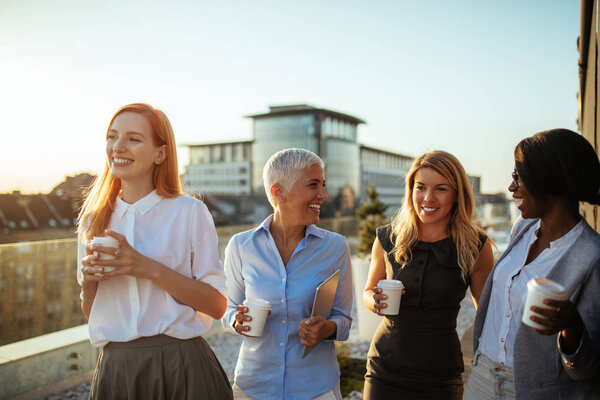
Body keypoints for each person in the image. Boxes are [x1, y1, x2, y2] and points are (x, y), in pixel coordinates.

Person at [77, 103, 232, 399]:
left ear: (161, 153)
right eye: (112, 136)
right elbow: (93, 313)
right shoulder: (92, 220)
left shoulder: (190, 212)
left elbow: (217, 305)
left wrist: (146, 267)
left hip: (183, 365)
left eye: (133, 139)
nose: (118, 147)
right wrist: (89, 284)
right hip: (116, 369)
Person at [464, 128, 600, 400]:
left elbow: (588, 366)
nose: (511, 188)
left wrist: (571, 326)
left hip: (531, 389)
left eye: (517, 177)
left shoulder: (592, 256)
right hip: (481, 374)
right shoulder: (523, 228)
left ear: (548, 180)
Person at [222, 148, 353, 400]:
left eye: (323, 185)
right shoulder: (241, 246)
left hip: (316, 388)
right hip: (254, 387)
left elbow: (344, 318)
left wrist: (327, 328)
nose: (323, 195)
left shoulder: (335, 247)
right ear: (278, 192)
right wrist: (236, 322)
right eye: (313, 185)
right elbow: (228, 310)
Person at [362, 150, 494, 400]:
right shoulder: (388, 238)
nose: (428, 198)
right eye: (420, 187)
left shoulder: (475, 246)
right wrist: (375, 301)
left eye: (441, 189)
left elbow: (488, 314)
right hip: (384, 369)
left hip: (440, 375)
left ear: (456, 195)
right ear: (410, 191)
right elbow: (368, 291)